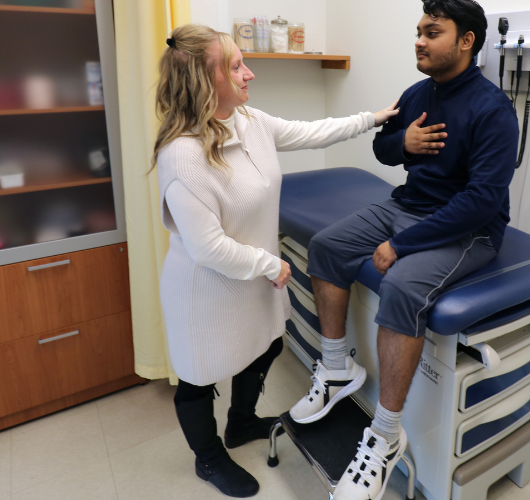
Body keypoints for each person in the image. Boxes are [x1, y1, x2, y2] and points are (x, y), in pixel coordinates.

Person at [152, 24, 398, 498]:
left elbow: (313, 133)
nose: (250, 74)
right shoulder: (181, 156)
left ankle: (241, 423)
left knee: (265, 347)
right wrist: (270, 265)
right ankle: (208, 459)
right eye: (237, 66)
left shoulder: (247, 122)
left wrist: (374, 117)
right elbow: (207, 247)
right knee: (199, 377)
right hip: (204, 289)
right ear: (209, 82)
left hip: (253, 279)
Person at [290, 0, 518, 500]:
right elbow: (381, 146)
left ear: (466, 41)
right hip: (406, 205)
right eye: (418, 31)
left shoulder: (493, 110)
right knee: (326, 246)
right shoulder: (418, 94)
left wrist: (402, 242)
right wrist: (404, 146)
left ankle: (386, 435)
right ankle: (335, 367)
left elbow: (482, 201)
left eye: (431, 33)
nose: (419, 40)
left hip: (469, 230)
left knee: (401, 286)